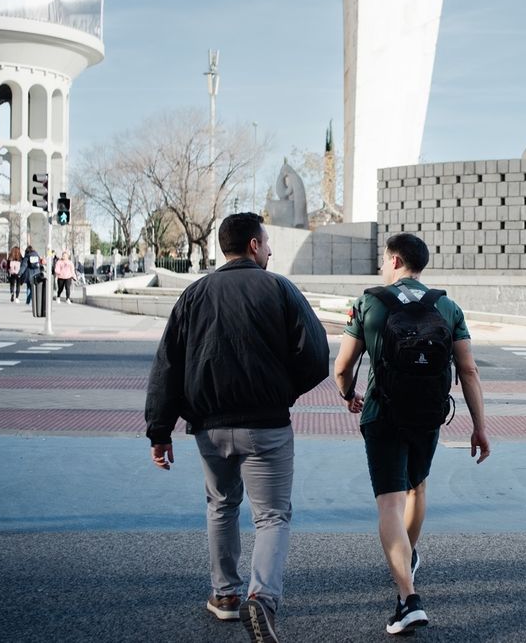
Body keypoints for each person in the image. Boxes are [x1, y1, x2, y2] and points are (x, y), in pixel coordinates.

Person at [145, 212, 328, 643]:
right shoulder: (279, 288)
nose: (270, 250)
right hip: (266, 425)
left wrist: (160, 430)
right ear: (252, 245)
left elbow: (167, 365)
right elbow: (315, 351)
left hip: (209, 427)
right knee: (272, 516)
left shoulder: (194, 294)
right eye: (266, 243)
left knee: (221, 505)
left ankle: (224, 595)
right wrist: (283, 390)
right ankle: (261, 600)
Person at [333, 232, 491, 635]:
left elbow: (341, 368)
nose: (383, 267)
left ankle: (408, 598)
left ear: (397, 261)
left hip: (383, 413)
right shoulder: (447, 305)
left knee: (388, 501)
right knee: (416, 489)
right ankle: (408, 555)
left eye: (385, 260)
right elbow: (469, 370)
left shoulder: (369, 303)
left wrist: (349, 393)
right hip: (428, 415)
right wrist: (480, 427)